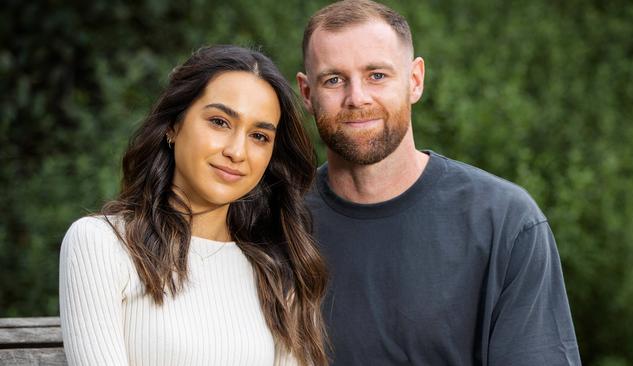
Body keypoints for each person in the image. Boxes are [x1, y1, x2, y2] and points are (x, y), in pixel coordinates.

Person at [296, 1, 581, 365]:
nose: (357, 98)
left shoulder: (505, 223)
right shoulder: (281, 224)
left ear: (415, 81)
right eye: (334, 79)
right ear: (307, 94)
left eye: (377, 75)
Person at [59, 45, 328, 366]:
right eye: (219, 121)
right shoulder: (102, 244)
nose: (237, 151)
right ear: (173, 125)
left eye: (259, 136)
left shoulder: (276, 270)